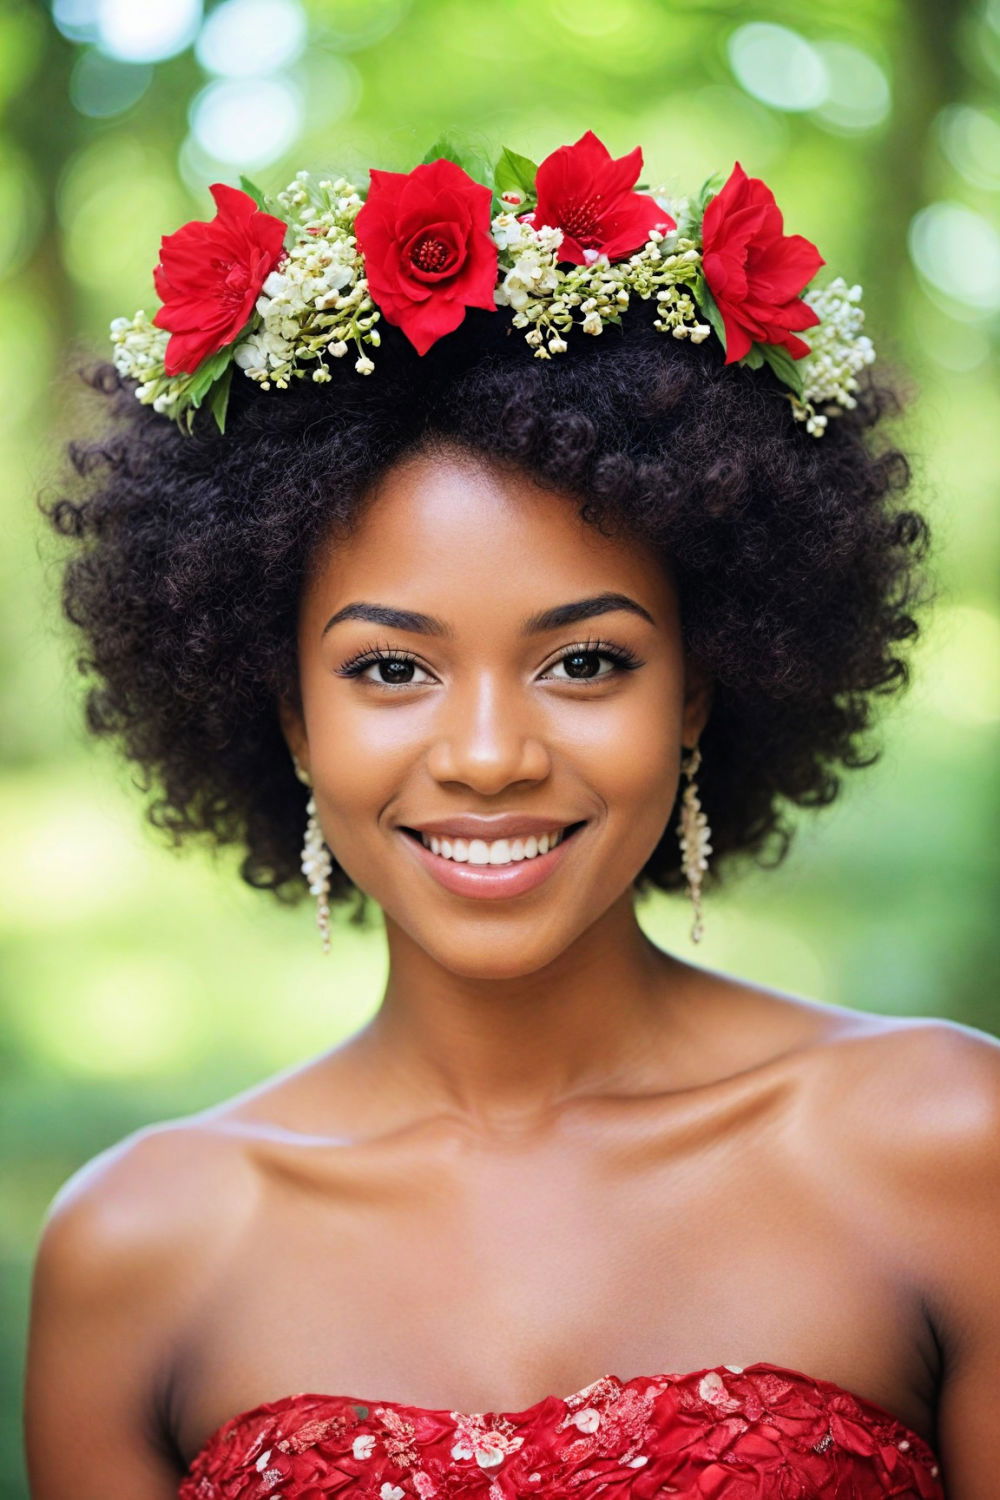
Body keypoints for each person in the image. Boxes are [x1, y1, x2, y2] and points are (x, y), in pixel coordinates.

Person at [23, 133, 999, 1499]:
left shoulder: (951, 1146)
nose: (488, 755)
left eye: (586, 661)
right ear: (290, 716)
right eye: (390, 669)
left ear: (701, 690)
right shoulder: (140, 1250)